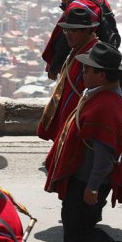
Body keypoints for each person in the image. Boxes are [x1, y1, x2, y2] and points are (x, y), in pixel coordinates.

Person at [44, 43, 122, 242]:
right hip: (83, 177)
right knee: (77, 225)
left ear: (103, 74)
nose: (83, 72)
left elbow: (105, 154)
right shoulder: (102, 94)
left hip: (89, 180)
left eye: (89, 69)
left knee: (77, 230)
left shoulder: (106, 106)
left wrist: (93, 187)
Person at [36, 8, 99, 147]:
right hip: (69, 117)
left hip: (80, 120)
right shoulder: (77, 50)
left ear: (87, 31)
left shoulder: (93, 55)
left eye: (73, 31)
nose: (68, 35)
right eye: (66, 30)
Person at [42, 0, 117, 79]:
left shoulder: (78, 4)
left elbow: (67, 37)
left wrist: (54, 67)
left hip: (89, 57)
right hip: (105, 52)